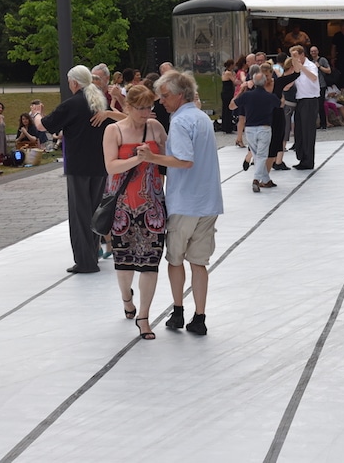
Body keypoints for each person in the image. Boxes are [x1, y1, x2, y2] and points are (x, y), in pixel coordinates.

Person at [139, 70, 223, 335]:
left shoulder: (179, 122)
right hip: (208, 201)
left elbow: (185, 161)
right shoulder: (202, 118)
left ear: (178, 95)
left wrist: (152, 158)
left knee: (175, 259)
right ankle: (199, 316)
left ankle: (178, 311)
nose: (161, 101)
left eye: (164, 96)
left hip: (185, 202)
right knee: (199, 262)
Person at [101, 85, 167, 340]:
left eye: (149, 106)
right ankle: (127, 298)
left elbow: (167, 157)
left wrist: (155, 158)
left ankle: (144, 317)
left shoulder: (156, 128)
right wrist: (138, 159)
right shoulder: (113, 130)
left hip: (153, 204)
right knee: (125, 263)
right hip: (122, 207)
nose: (146, 112)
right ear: (128, 107)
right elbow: (111, 166)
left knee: (150, 264)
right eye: (140, 107)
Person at [33, 65, 111, 273]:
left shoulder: (72, 104)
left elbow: (44, 126)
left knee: (79, 213)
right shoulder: (100, 101)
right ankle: (93, 254)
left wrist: (36, 115)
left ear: (75, 83)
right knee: (94, 210)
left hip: (78, 165)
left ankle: (85, 261)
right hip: (100, 164)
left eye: (69, 82)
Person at [230, 71, 282, 191]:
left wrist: (240, 92)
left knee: (257, 155)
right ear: (264, 82)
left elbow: (231, 106)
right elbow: (280, 104)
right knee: (262, 155)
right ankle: (256, 179)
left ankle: (266, 180)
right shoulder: (269, 96)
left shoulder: (247, 96)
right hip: (264, 128)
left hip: (250, 129)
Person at [290, 45, 319, 170]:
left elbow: (313, 77)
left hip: (310, 100)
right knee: (299, 130)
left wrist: (301, 67)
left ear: (302, 55)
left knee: (308, 131)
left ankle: (308, 160)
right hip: (300, 100)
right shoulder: (295, 68)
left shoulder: (310, 66)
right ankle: (301, 157)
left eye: (296, 55)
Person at [310, 45, 332, 130]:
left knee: (320, 105)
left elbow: (329, 70)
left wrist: (319, 66)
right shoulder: (310, 62)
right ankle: (316, 123)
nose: (313, 53)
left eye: (315, 51)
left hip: (321, 85)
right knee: (314, 105)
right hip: (313, 85)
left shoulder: (322, 60)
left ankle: (324, 123)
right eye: (312, 51)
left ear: (318, 51)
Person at [220, 59, 236, 134]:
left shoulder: (224, 72)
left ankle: (225, 126)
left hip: (224, 92)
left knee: (225, 109)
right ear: (231, 65)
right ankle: (228, 127)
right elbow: (234, 81)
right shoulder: (228, 73)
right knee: (228, 109)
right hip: (228, 92)